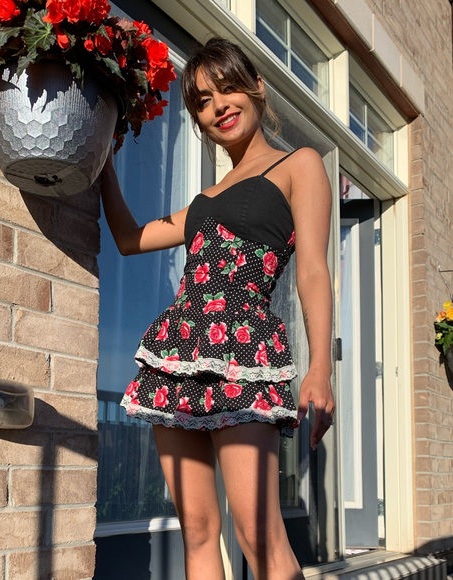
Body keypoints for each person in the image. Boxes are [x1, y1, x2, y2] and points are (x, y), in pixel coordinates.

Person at [100, 36, 335, 580]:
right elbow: (130, 239)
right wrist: (104, 161)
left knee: (259, 535)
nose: (218, 107)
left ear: (257, 88)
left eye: (228, 89)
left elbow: (313, 271)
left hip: (243, 354)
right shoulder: (205, 200)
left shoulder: (299, 165)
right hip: (178, 353)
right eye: (203, 101)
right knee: (199, 533)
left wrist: (320, 368)